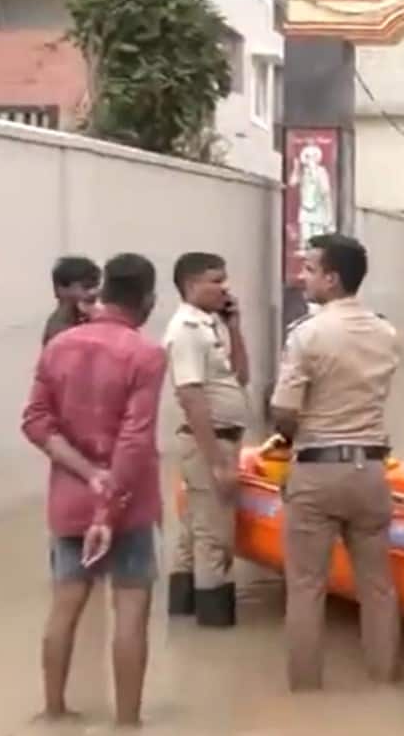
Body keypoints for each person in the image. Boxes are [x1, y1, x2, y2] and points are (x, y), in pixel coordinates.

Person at [20, 253, 167, 726]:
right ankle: (128, 721)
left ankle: (54, 710)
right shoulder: (145, 353)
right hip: (128, 499)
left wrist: (85, 473)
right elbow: (135, 437)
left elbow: (35, 422)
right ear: (147, 299)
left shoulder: (58, 347)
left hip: (70, 496)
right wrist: (108, 498)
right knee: (130, 605)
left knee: (65, 604)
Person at [269, 233, 402, 691]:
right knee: (379, 589)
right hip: (370, 472)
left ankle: (306, 700)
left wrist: (290, 434)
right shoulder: (387, 334)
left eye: (308, 269)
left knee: (306, 588)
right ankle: (384, 684)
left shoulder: (307, 335)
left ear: (332, 278)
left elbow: (284, 410)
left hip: (317, 468)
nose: (301, 276)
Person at [163, 252, 250, 627]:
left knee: (195, 532)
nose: (225, 287)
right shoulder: (185, 330)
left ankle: (183, 613)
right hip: (209, 443)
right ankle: (215, 623)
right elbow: (191, 397)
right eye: (216, 280)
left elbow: (240, 378)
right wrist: (217, 462)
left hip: (221, 440)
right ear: (191, 285)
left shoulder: (209, 327)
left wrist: (235, 328)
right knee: (216, 537)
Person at [43, 256, 101, 345]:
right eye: (86, 287)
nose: (94, 292)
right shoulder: (59, 330)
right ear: (61, 289)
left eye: (96, 286)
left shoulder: (86, 317)